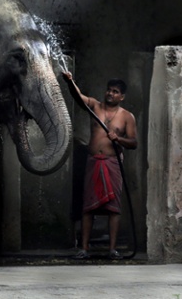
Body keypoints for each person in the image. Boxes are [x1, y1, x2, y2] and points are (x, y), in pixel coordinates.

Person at [63, 72, 137, 260]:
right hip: (93, 162)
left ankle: (112, 250)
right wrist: (71, 81)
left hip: (113, 164)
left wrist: (118, 138)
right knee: (88, 207)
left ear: (122, 96)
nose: (110, 94)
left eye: (115, 91)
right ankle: (85, 249)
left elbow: (133, 143)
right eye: (109, 90)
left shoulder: (127, 117)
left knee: (114, 209)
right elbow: (78, 97)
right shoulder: (95, 106)